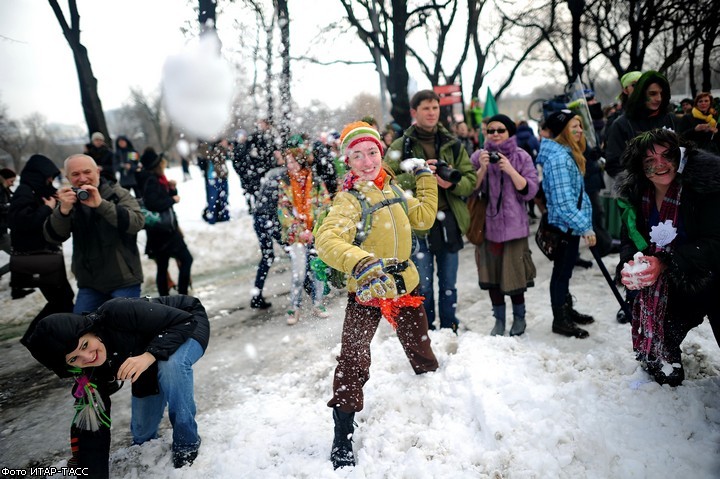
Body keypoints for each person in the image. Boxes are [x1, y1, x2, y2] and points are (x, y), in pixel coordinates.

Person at [315, 121, 439, 470]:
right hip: (368, 290)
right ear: (348, 161)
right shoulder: (350, 199)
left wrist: (426, 177)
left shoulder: (393, 187)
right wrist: (361, 262)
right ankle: (343, 434)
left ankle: (433, 387)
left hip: (405, 284)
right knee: (353, 360)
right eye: (358, 155)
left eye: (372, 152)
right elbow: (326, 241)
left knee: (419, 344)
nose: (367, 161)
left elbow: (424, 218)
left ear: (381, 153)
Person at [23, 294, 210, 476]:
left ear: (90, 330)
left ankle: (187, 444)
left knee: (171, 365)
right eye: (74, 358)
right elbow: (92, 427)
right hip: (144, 352)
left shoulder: (116, 312)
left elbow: (185, 321)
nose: (88, 357)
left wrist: (149, 356)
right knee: (142, 437)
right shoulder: (89, 374)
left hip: (185, 320)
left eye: (85, 345)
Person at [615, 129, 720, 386]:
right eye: (650, 160)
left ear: (680, 156)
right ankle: (665, 358)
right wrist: (630, 264)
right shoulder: (639, 195)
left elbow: (716, 243)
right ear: (640, 167)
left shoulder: (704, 188)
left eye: (666, 155)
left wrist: (664, 261)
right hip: (674, 285)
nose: (660, 165)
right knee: (662, 370)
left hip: (714, 277)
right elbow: (630, 237)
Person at [386, 89, 477, 332]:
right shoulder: (400, 145)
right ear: (415, 112)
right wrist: (420, 176)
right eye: (426, 108)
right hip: (417, 224)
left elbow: (471, 178)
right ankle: (426, 332)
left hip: (448, 221)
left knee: (449, 284)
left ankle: (449, 329)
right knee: (422, 285)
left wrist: (451, 183)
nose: (431, 113)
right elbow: (386, 182)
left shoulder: (452, 144)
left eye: (435, 108)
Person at [44, 154, 145, 314]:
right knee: (81, 329)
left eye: (87, 172)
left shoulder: (117, 194)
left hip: (124, 280)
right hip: (90, 283)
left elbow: (136, 223)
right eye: (75, 174)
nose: (82, 178)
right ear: (68, 178)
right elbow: (53, 237)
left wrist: (101, 204)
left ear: (97, 172)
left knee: (123, 329)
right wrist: (63, 211)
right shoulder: (69, 201)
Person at [470, 114, 539, 336]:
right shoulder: (478, 156)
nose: (496, 134)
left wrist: (509, 169)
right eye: (491, 130)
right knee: (492, 277)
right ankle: (498, 321)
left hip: (514, 229)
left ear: (510, 132)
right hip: (488, 229)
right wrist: (481, 169)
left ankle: (520, 318)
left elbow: (530, 191)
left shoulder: (521, 157)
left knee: (515, 275)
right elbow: (470, 191)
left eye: (501, 130)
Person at [535, 110, 597, 338]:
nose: (580, 130)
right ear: (562, 130)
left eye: (580, 125)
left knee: (565, 271)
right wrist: (585, 227)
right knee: (561, 273)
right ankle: (560, 320)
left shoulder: (566, 153)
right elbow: (563, 203)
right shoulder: (560, 159)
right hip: (564, 227)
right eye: (574, 126)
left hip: (568, 226)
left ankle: (566, 310)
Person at [9, 155, 75, 331]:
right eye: (48, 177)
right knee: (62, 299)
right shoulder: (24, 191)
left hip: (47, 255)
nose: (50, 180)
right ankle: (36, 337)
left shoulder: (36, 190)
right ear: (38, 174)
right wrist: (47, 208)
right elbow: (21, 222)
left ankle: (39, 337)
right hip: (38, 257)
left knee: (63, 298)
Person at [276, 137, 331, 324]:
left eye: (291, 161)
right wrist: (300, 231)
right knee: (298, 273)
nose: (288, 165)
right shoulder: (284, 183)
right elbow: (282, 210)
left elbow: (325, 205)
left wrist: (314, 230)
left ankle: (318, 303)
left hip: (316, 233)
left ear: (299, 161)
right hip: (296, 236)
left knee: (318, 271)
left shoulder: (315, 181)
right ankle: (295, 307)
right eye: (287, 161)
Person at [140, 149, 194, 297]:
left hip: (159, 231)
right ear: (156, 165)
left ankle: (165, 298)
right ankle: (182, 293)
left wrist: (171, 188)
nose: (163, 165)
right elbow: (153, 204)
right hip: (165, 232)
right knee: (186, 259)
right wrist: (172, 200)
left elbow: (159, 198)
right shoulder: (151, 180)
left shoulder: (155, 179)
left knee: (163, 266)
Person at [605, 70, 676, 178]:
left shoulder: (671, 119)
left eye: (662, 93)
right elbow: (614, 164)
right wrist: (636, 186)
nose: (658, 99)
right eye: (652, 94)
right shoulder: (621, 124)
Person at [198, 138, 231, 224]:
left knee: (224, 198)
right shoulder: (206, 146)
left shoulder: (219, 147)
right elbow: (209, 156)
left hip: (222, 175)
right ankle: (212, 218)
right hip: (212, 177)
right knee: (213, 199)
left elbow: (226, 155)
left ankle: (224, 217)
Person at [0, 167, 16, 280]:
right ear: (4, 179)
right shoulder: (1, 190)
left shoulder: (4, 190)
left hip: (3, 230)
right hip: (1, 233)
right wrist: (12, 207)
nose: (12, 184)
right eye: (11, 181)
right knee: (18, 257)